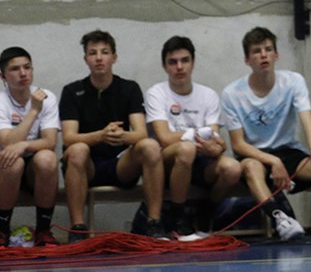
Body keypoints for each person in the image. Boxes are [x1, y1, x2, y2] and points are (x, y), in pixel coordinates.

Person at [222, 28, 311, 242]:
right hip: (255, 155)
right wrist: (272, 160)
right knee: (251, 166)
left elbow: (308, 123)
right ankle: (280, 219)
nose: (264, 55)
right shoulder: (232, 93)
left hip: (288, 150)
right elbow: (238, 145)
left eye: (268, 49)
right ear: (247, 59)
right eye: (257, 51)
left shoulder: (293, 81)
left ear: (276, 55)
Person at [60, 30, 166, 241]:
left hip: (121, 165)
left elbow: (140, 133)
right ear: (86, 59)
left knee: (151, 146)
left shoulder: (129, 88)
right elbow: (68, 138)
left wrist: (121, 136)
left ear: (114, 57)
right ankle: (78, 228)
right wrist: (100, 135)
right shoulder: (72, 91)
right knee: (77, 149)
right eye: (93, 53)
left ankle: (154, 222)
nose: (99, 58)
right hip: (86, 166)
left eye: (104, 52)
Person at [143, 36, 242, 238]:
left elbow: (214, 139)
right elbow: (164, 138)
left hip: (201, 160)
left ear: (193, 63)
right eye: (173, 62)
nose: (179, 67)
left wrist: (218, 147)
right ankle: (179, 218)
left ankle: (206, 210)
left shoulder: (208, 95)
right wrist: (197, 135)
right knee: (185, 149)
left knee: (233, 168)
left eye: (184, 60)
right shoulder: (156, 93)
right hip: (168, 163)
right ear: (165, 66)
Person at [0, 46, 60, 247]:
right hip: (6, 168)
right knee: (13, 161)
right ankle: (2, 229)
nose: (23, 73)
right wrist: (34, 111)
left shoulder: (47, 97)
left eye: (27, 67)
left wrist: (24, 144)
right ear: (3, 76)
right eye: (15, 69)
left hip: (33, 167)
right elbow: (8, 143)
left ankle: (43, 230)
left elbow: (50, 142)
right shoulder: (1, 101)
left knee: (47, 158)